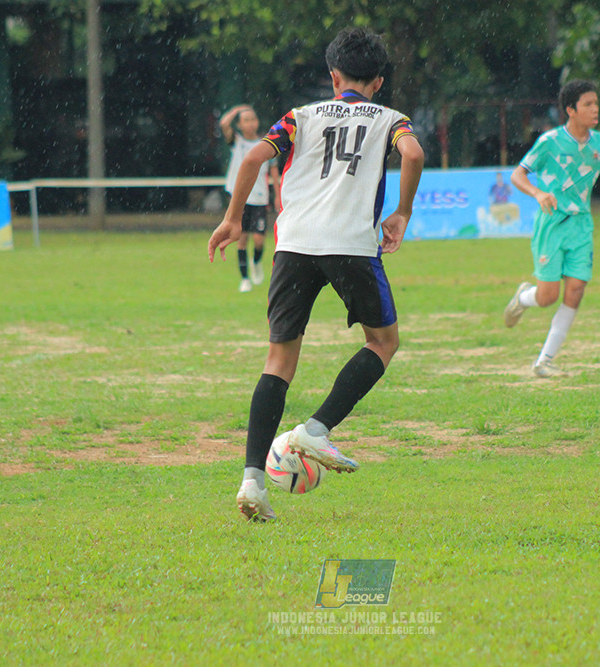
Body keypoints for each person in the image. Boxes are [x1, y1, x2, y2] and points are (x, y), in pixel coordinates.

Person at [208, 27, 425, 521]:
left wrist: (233, 217)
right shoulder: (391, 118)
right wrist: (402, 213)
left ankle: (252, 483)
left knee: (278, 360)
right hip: (350, 244)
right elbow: (412, 153)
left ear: (333, 77)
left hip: (294, 245)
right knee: (382, 342)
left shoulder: (301, 117)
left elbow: (257, 155)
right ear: (379, 81)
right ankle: (316, 429)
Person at [502, 80, 600, 378]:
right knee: (547, 297)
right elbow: (517, 175)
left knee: (575, 290)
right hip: (552, 224)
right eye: (588, 104)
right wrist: (538, 193)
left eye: (596, 103)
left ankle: (544, 361)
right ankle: (523, 298)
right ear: (571, 110)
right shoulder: (549, 142)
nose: (595, 109)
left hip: (581, 226)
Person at [219, 103, 281, 292]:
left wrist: (278, 195)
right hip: (241, 199)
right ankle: (245, 278)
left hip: (260, 198)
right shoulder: (236, 142)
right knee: (242, 238)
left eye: (253, 119)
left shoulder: (266, 144)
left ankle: (256, 262)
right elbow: (224, 124)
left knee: (260, 240)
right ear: (239, 124)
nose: (251, 123)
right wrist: (237, 110)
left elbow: (274, 172)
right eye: (246, 120)